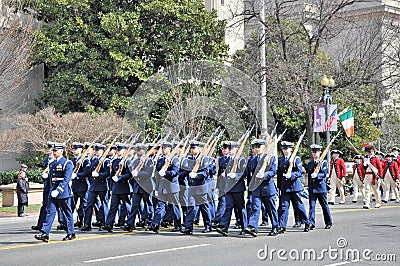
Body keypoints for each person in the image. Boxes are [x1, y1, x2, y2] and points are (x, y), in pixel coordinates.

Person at [34, 142, 76, 242]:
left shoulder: (67, 163)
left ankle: (71, 233)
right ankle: (45, 233)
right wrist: (46, 178)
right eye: (53, 151)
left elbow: (66, 179)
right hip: (52, 192)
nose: (54, 152)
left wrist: (58, 190)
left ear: (61, 151)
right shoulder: (52, 163)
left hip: (62, 192)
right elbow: (52, 178)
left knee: (67, 213)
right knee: (50, 212)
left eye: (56, 151)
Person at [244, 139, 279, 237]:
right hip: (256, 188)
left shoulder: (271, 158)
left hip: (267, 188)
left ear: (264, 148)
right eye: (255, 147)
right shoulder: (252, 160)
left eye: (259, 147)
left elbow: (273, 172)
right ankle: (253, 227)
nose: (256, 149)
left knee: (271, 209)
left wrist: (264, 174)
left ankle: (275, 226)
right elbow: (248, 172)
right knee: (255, 208)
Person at [215, 140, 248, 236]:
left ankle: (244, 226)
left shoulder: (241, 160)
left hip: (238, 188)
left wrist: (236, 175)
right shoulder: (228, 160)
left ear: (236, 149)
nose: (229, 150)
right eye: (228, 148)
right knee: (228, 207)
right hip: (228, 188)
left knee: (240, 208)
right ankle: (224, 227)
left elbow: (244, 173)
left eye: (231, 148)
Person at [277, 141, 310, 233]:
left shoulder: (296, 159)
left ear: (291, 149)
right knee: (283, 207)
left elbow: (300, 172)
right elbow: (279, 174)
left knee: (299, 206)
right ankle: (282, 226)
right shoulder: (281, 160)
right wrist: (279, 187)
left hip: (295, 187)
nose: (285, 151)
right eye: (284, 149)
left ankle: (306, 222)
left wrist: (291, 175)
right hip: (285, 188)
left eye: (287, 149)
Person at [307, 144, 332, 230]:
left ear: (320, 152)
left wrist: (317, 175)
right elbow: (309, 177)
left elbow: (325, 173)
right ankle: (311, 223)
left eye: (316, 152)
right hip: (312, 188)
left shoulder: (323, 162)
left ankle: (328, 222)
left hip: (321, 188)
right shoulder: (310, 163)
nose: (314, 154)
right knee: (311, 206)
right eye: (313, 152)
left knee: (324, 206)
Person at [32, 142, 54, 230]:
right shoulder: (47, 160)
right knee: (44, 205)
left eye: (51, 149)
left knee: (60, 207)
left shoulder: (59, 161)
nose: (49, 150)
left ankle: (64, 224)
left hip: (55, 187)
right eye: (49, 148)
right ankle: (40, 224)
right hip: (47, 186)